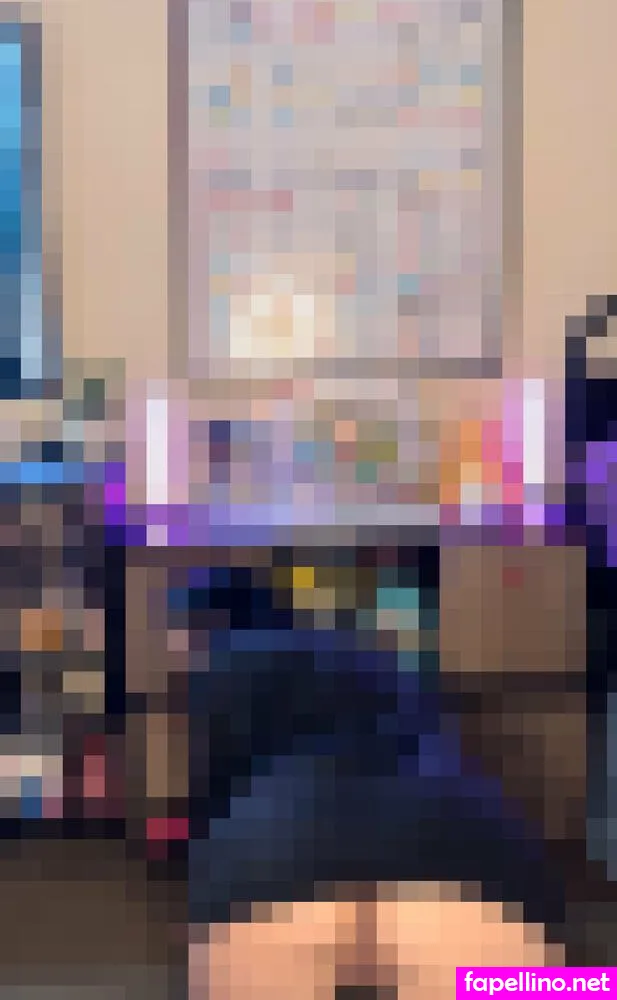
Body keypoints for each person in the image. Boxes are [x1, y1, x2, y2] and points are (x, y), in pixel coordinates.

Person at [185, 550, 566, 997]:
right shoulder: (373, 657)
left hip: (273, 857)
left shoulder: (230, 668)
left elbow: (216, 781)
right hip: (461, 839)